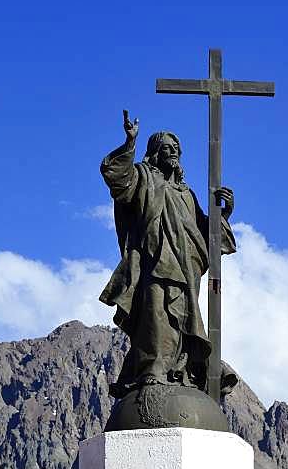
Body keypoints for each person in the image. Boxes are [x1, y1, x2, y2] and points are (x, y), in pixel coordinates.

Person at [99, 109, 236, 399]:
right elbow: (116, 177)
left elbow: (208, 234)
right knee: (155, 314)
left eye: (175, 149)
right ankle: (153, 370)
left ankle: (184, 371)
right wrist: (130, 143)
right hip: (155, 260)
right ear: (154, 154)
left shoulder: (187, 194)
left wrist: (224, 213)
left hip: (187, 267)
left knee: (184, 318)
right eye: (165, 149)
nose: (172, 153)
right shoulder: (144, 179)